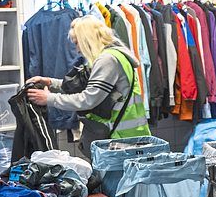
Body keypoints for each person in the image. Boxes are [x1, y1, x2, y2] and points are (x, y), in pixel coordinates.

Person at [26, 15, 151, 157]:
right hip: (128, 135)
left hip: (121, 139)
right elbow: (87, 87)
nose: (78, 49)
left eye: (77, 43)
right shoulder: (113, 56)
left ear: (87, 40)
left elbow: (88, 99)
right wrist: (50, 82)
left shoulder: (107, 60)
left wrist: (49, 99)